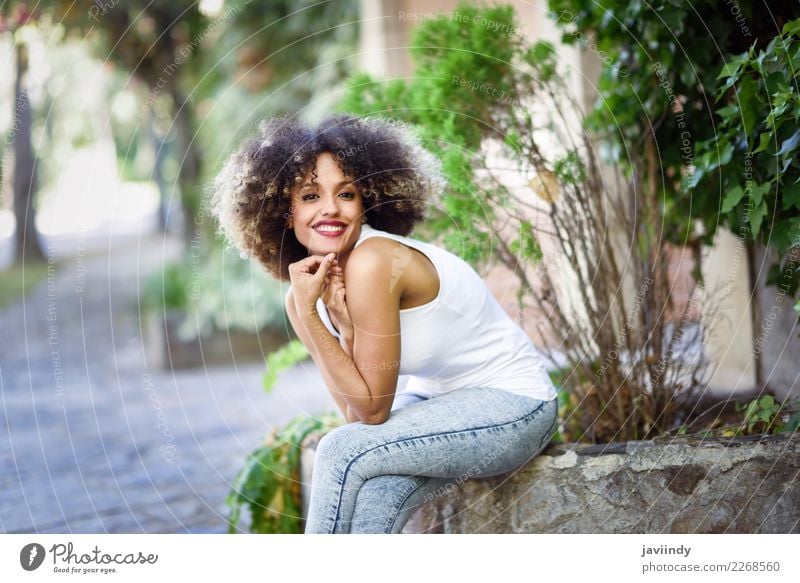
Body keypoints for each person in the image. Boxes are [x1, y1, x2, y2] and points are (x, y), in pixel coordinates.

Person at [211, 113, 558, 534]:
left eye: (347, 193)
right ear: (284, 212)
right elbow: (356, 414)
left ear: (366, 202)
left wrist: (311, 319)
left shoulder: (374, 261)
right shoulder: (303, 293)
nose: (330, 209)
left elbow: (373, 413)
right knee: (379, 490)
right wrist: (341, 328)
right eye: (309, 196)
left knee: (337, 450)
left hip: (515, 406)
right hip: (438, 405)